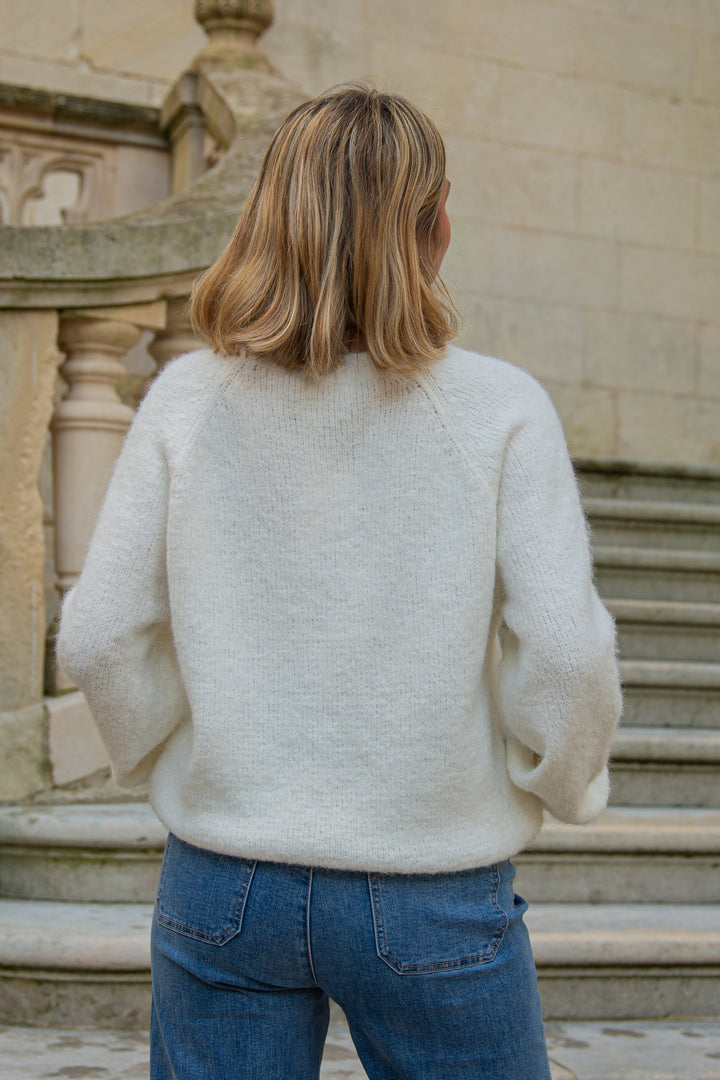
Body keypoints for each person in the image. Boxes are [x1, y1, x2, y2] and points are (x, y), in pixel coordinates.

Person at [58, 84, 622, 1080]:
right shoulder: (501, 408)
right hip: (431, 886)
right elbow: (567, 656)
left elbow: (99, 633)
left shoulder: (188, 395)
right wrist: (559, 782)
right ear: (435, 225)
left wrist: (173, 761)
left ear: (269, 215)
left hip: (224, 883)